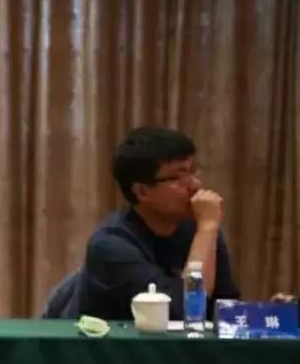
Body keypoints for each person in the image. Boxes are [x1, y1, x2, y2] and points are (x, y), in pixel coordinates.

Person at [82, 127, 240, 320]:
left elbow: (226, 309)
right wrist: (207, 228)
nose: (195, 185)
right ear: (142, 191)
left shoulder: (198, 231)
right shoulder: (110, 245)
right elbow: (181, 312)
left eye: (191, 171)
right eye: (176, 178)